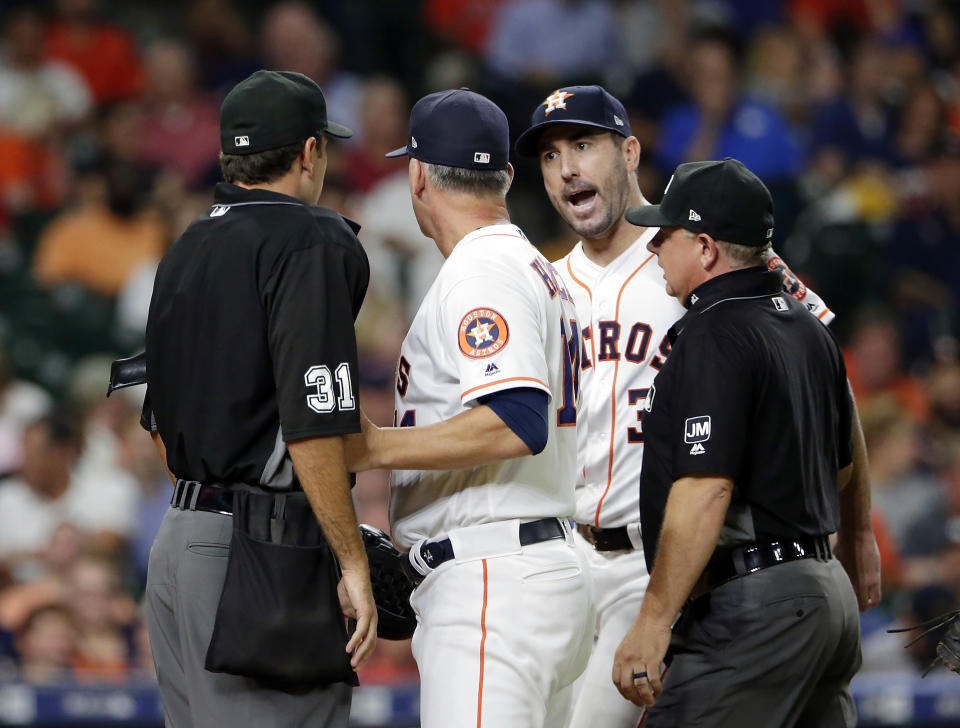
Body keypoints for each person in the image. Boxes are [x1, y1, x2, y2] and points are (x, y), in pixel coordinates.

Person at [513, 85, 844, 728]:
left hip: (661, 563)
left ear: (630, 151)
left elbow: (825, 374)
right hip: (564, 554)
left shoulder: (699, 254)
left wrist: (854, 529)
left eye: (583, 145)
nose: (567, 168)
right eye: (550, 157)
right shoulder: (542, 283)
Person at [346, 88, 593, 728]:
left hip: (494, 582)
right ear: (506, 177)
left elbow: (517, 419)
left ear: (417, 175)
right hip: (525, 568)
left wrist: (374, 446)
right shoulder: (532, 266)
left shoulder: (483, 270)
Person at [140, 70, 376, 727]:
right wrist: (350, 558)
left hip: (180, 541)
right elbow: (315, 424)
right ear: (309, 152)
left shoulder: (185, 247)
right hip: (261, 555)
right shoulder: (312, 240)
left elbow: (156, 419)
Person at [611, 158, 880, 727]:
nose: (653, 246)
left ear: (706, 247)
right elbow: (843, 465)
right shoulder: (806, 327)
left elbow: (707, 488)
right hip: (822, 593)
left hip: (757, 608)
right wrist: (848, 532)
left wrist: (652, 624)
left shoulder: (717, 331)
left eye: (667, 233)